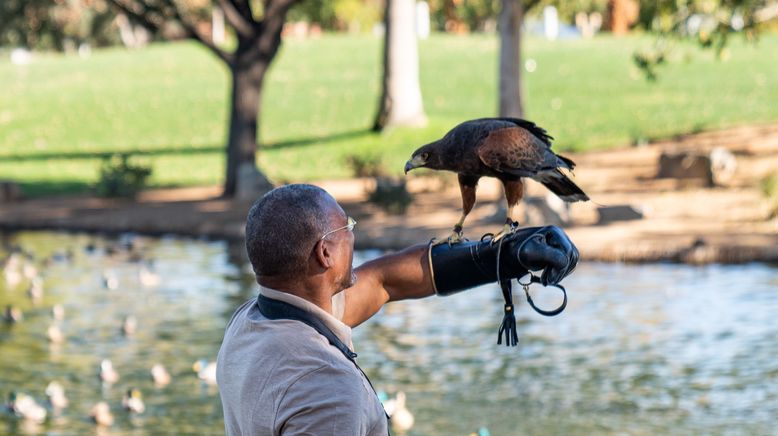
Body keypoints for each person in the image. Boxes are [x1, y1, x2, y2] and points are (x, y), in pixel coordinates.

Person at [217, 184, 579, 435]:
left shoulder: (252, 323)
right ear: (325, 253)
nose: (353, 235)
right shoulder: (327, 387)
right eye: (346, 226)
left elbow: (385, 281)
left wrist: (503, 254)